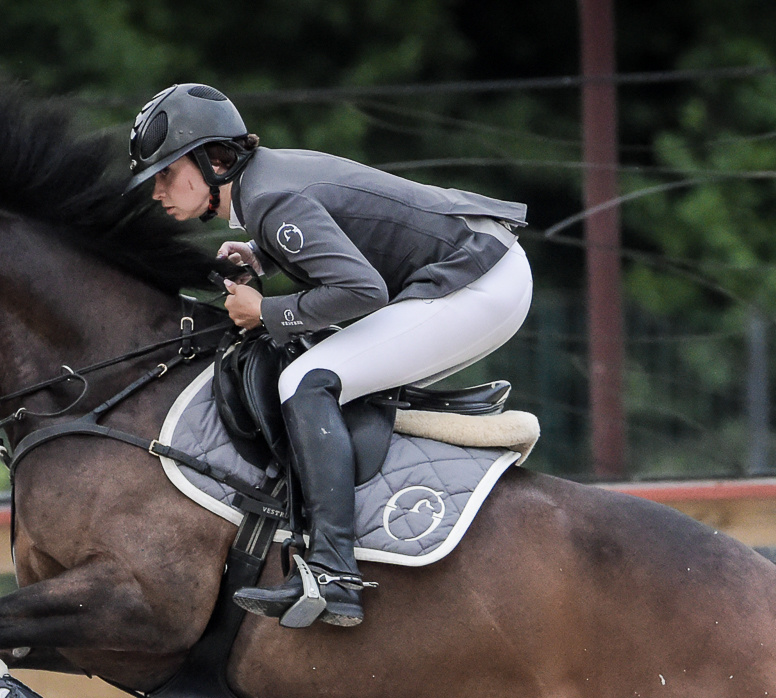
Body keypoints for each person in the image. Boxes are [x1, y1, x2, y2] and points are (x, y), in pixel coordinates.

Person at [127, 83, 533, 629]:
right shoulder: (265, 184)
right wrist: (259, 255)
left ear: (215, 159)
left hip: (478, 281)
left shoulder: (270, 199)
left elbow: (364, 292)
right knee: (333, 369)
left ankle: (333, 569)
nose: (156, 191)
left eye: (165, 173)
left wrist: (267, 311)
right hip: (484, 268)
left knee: (307, 379)